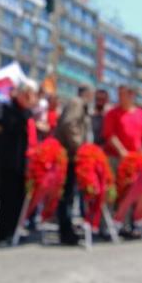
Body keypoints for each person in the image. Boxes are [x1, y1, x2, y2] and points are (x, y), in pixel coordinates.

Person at [0, 80, 38, 244]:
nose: (28, 98)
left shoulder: (28, 111)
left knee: (19, 198)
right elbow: (10, 125)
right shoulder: (8, 107)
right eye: (26, 94)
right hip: (10, 160)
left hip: (23, 162)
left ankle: (14, 231)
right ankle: (3, 232)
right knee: (7, 197)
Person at [54, 85, 93, 245]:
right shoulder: (77, 103)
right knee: (67, 194)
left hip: (71, 154)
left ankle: (67, 229)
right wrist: (79, 147)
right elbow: (69, 124)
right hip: (70, 155)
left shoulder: (78, 104)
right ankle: (66, 232)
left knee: (69, 194)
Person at [102, 85, 142, 162]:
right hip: (115, 157)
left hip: (134, 159)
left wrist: (140, 155)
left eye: (122, 94)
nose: (119, 97)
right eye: (119, 94)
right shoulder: (111, 113)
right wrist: (122, 151)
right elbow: (109, 134)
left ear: (131, 95)